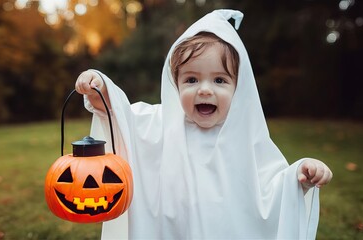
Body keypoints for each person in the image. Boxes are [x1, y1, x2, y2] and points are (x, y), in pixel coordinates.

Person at [75, 9, 332, 239]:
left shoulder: (246, 138)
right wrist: (100, 87)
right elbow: (121, 118)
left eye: (219, 80)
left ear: (238, 87)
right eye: (191, 80)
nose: (205, 90)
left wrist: (303, 173)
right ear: (176, 84)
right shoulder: (160, 123)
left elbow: (274, 191)